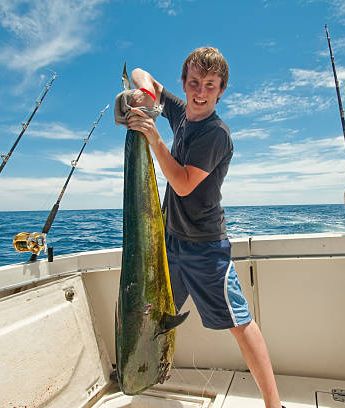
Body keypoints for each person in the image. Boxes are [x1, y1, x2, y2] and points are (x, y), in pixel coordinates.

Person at [124, 47, 284, 408]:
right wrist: (144, 96)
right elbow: (139, 71)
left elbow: (181, 183)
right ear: (184, 83)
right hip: (170, 242)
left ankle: (274, 405)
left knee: (240, 324)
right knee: (150, 315)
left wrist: (154, 137)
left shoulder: (216, 134)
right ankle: (142, 376)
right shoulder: (181, 112)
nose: (200, 91)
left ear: (221, 90)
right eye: (194, 82)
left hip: (205, 247)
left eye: (209, 85)